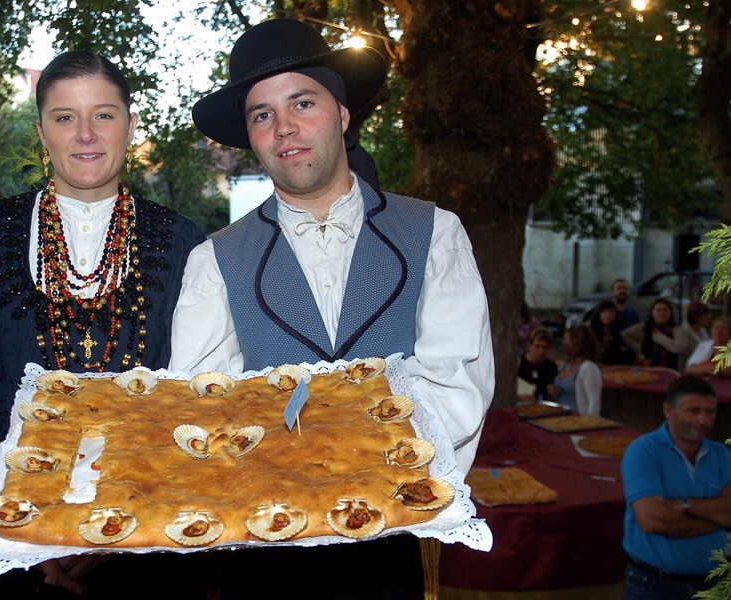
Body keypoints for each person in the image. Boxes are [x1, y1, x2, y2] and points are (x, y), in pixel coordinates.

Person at [170, 17, 494, 600]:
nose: (285, 127)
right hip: (263, 552)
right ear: (250, 137)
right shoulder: (213, 261)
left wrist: (350, 465)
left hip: (390, 541)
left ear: (343, 115)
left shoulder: (435, 233)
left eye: (302, 102)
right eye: (262, 114)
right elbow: (207, 406)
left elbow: (457, 386)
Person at [0, 51, 206, 599]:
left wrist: (112, 522)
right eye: (65, 118)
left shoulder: (184, 243)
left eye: (104, 115)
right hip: (1, 517)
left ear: (132, 126)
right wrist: (28, 526)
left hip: (144, 520)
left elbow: (193, 398)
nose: (85, 135)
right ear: (42, 130)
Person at [621, 375, 731, 599]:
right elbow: (653, 520)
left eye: (710, 412)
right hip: (653, 586)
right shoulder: (643, 451)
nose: (703, 420)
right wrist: (716, 516)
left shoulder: (722, 455)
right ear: (668, 411)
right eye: (694, 411)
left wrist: (683, 504)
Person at [623, 298, 695, 370]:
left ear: (670, 313)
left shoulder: (678, 329)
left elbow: (679, 347)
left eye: (665, 310)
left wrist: (658, 337)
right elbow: (625, 335)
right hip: (648, 369)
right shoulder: (645, 327)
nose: (662, 313)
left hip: (673, 370)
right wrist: (639, 349)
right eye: (658, 310)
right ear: (652, 313)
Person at [550, 323, 602, 415]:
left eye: (566, 339)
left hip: (576, 419)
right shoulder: (566, 365)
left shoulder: (589, 368)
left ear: (578, 342)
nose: (564, 342)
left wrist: (590, 423)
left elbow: (593, 401)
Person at [588, 300, 636, 365]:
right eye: (604, 312)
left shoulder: (615, 331)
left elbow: (624, 348)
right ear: (598, 314)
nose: (608, 315)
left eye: (611, 311)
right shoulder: (592, 332)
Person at [518, 326, 558, 400]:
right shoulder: (518, 363)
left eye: (545, 348)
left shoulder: (550, 367)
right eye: (537, 346)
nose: (541, 352)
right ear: (529, 345)